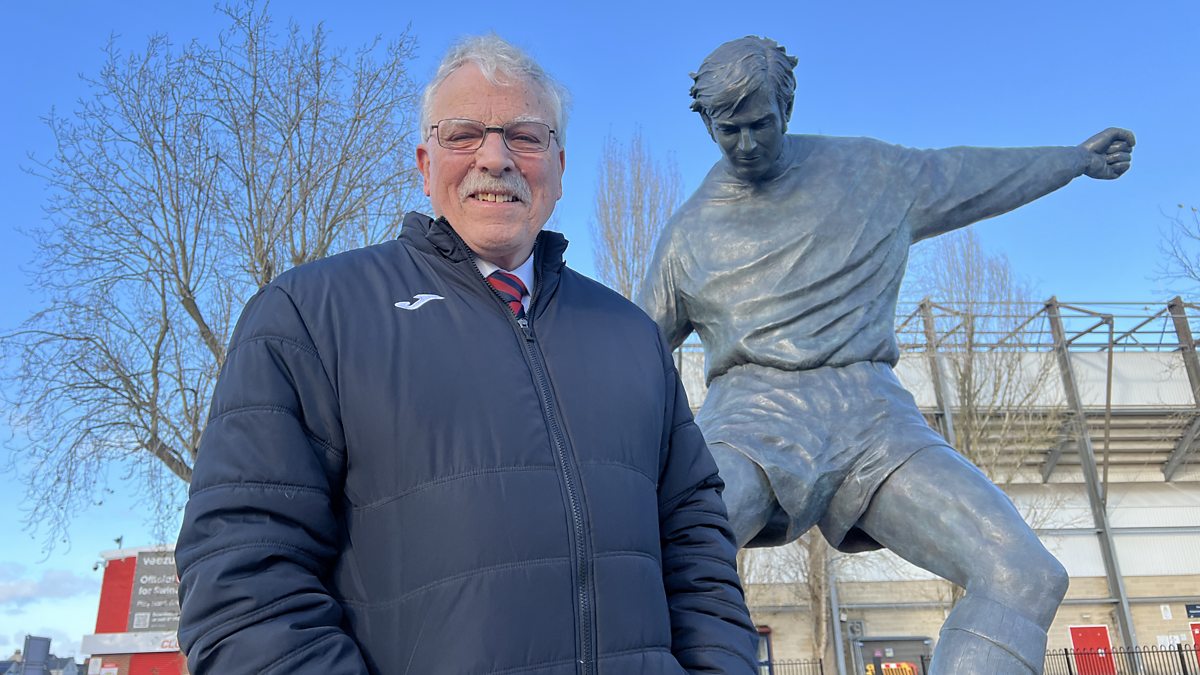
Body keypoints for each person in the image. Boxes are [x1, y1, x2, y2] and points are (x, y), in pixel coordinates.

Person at [176, 35, 758, 675]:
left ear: (559, 167)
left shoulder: (631, 335)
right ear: (425, 165)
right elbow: (245, 586)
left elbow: (697, 543)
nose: (495, 158)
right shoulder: (308, 317)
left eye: (525, 137)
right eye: (463, 135)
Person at [639, 36, 1134, 675]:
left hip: (872, 414)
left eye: (760, 124)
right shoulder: (687, 234)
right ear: (706, 124)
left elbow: (973, 177)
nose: (747, 144)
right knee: (648, 558)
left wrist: (1072, 160)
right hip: (749, 418)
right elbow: (636, 354)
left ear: (787, 107)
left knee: (1025, 573)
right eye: (728, 129)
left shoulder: (873, 176)